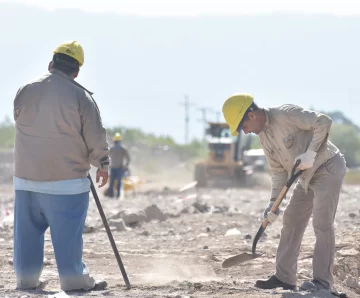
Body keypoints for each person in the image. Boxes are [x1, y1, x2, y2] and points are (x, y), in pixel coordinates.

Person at [222, 94, 346, 291]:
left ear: (251, 115)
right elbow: (279, 172)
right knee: (291, 219)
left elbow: (324, 121)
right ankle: (284, 277)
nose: (244, 132)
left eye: (242, 127)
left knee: (322, 223)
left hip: (327, 167)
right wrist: (273, 204)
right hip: (304, 176)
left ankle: (323, 283)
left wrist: (311, 153)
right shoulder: (264, 137)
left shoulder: (286, 114)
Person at [13, 40, 110, 292]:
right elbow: (95, 136)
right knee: (67, 236)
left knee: (27, 235)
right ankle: (74, 280)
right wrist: (102, 163)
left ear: (51, 63)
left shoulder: (25, 89)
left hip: (25, 181)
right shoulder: (81, 96)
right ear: (76, 71)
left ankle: (26, 279)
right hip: (66, 183)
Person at [107, 132, 131, 198]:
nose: (116, 142)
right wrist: (107, 165)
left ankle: (118, 195)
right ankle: (110, 195)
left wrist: (125, 166)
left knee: (119, 183)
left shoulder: (123, 149)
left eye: (117, 141)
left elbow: (128, 158)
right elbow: (106, 157)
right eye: (116, 141)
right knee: (111, 182)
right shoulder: (111, 148)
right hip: (112, 168)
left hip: (120, 168)